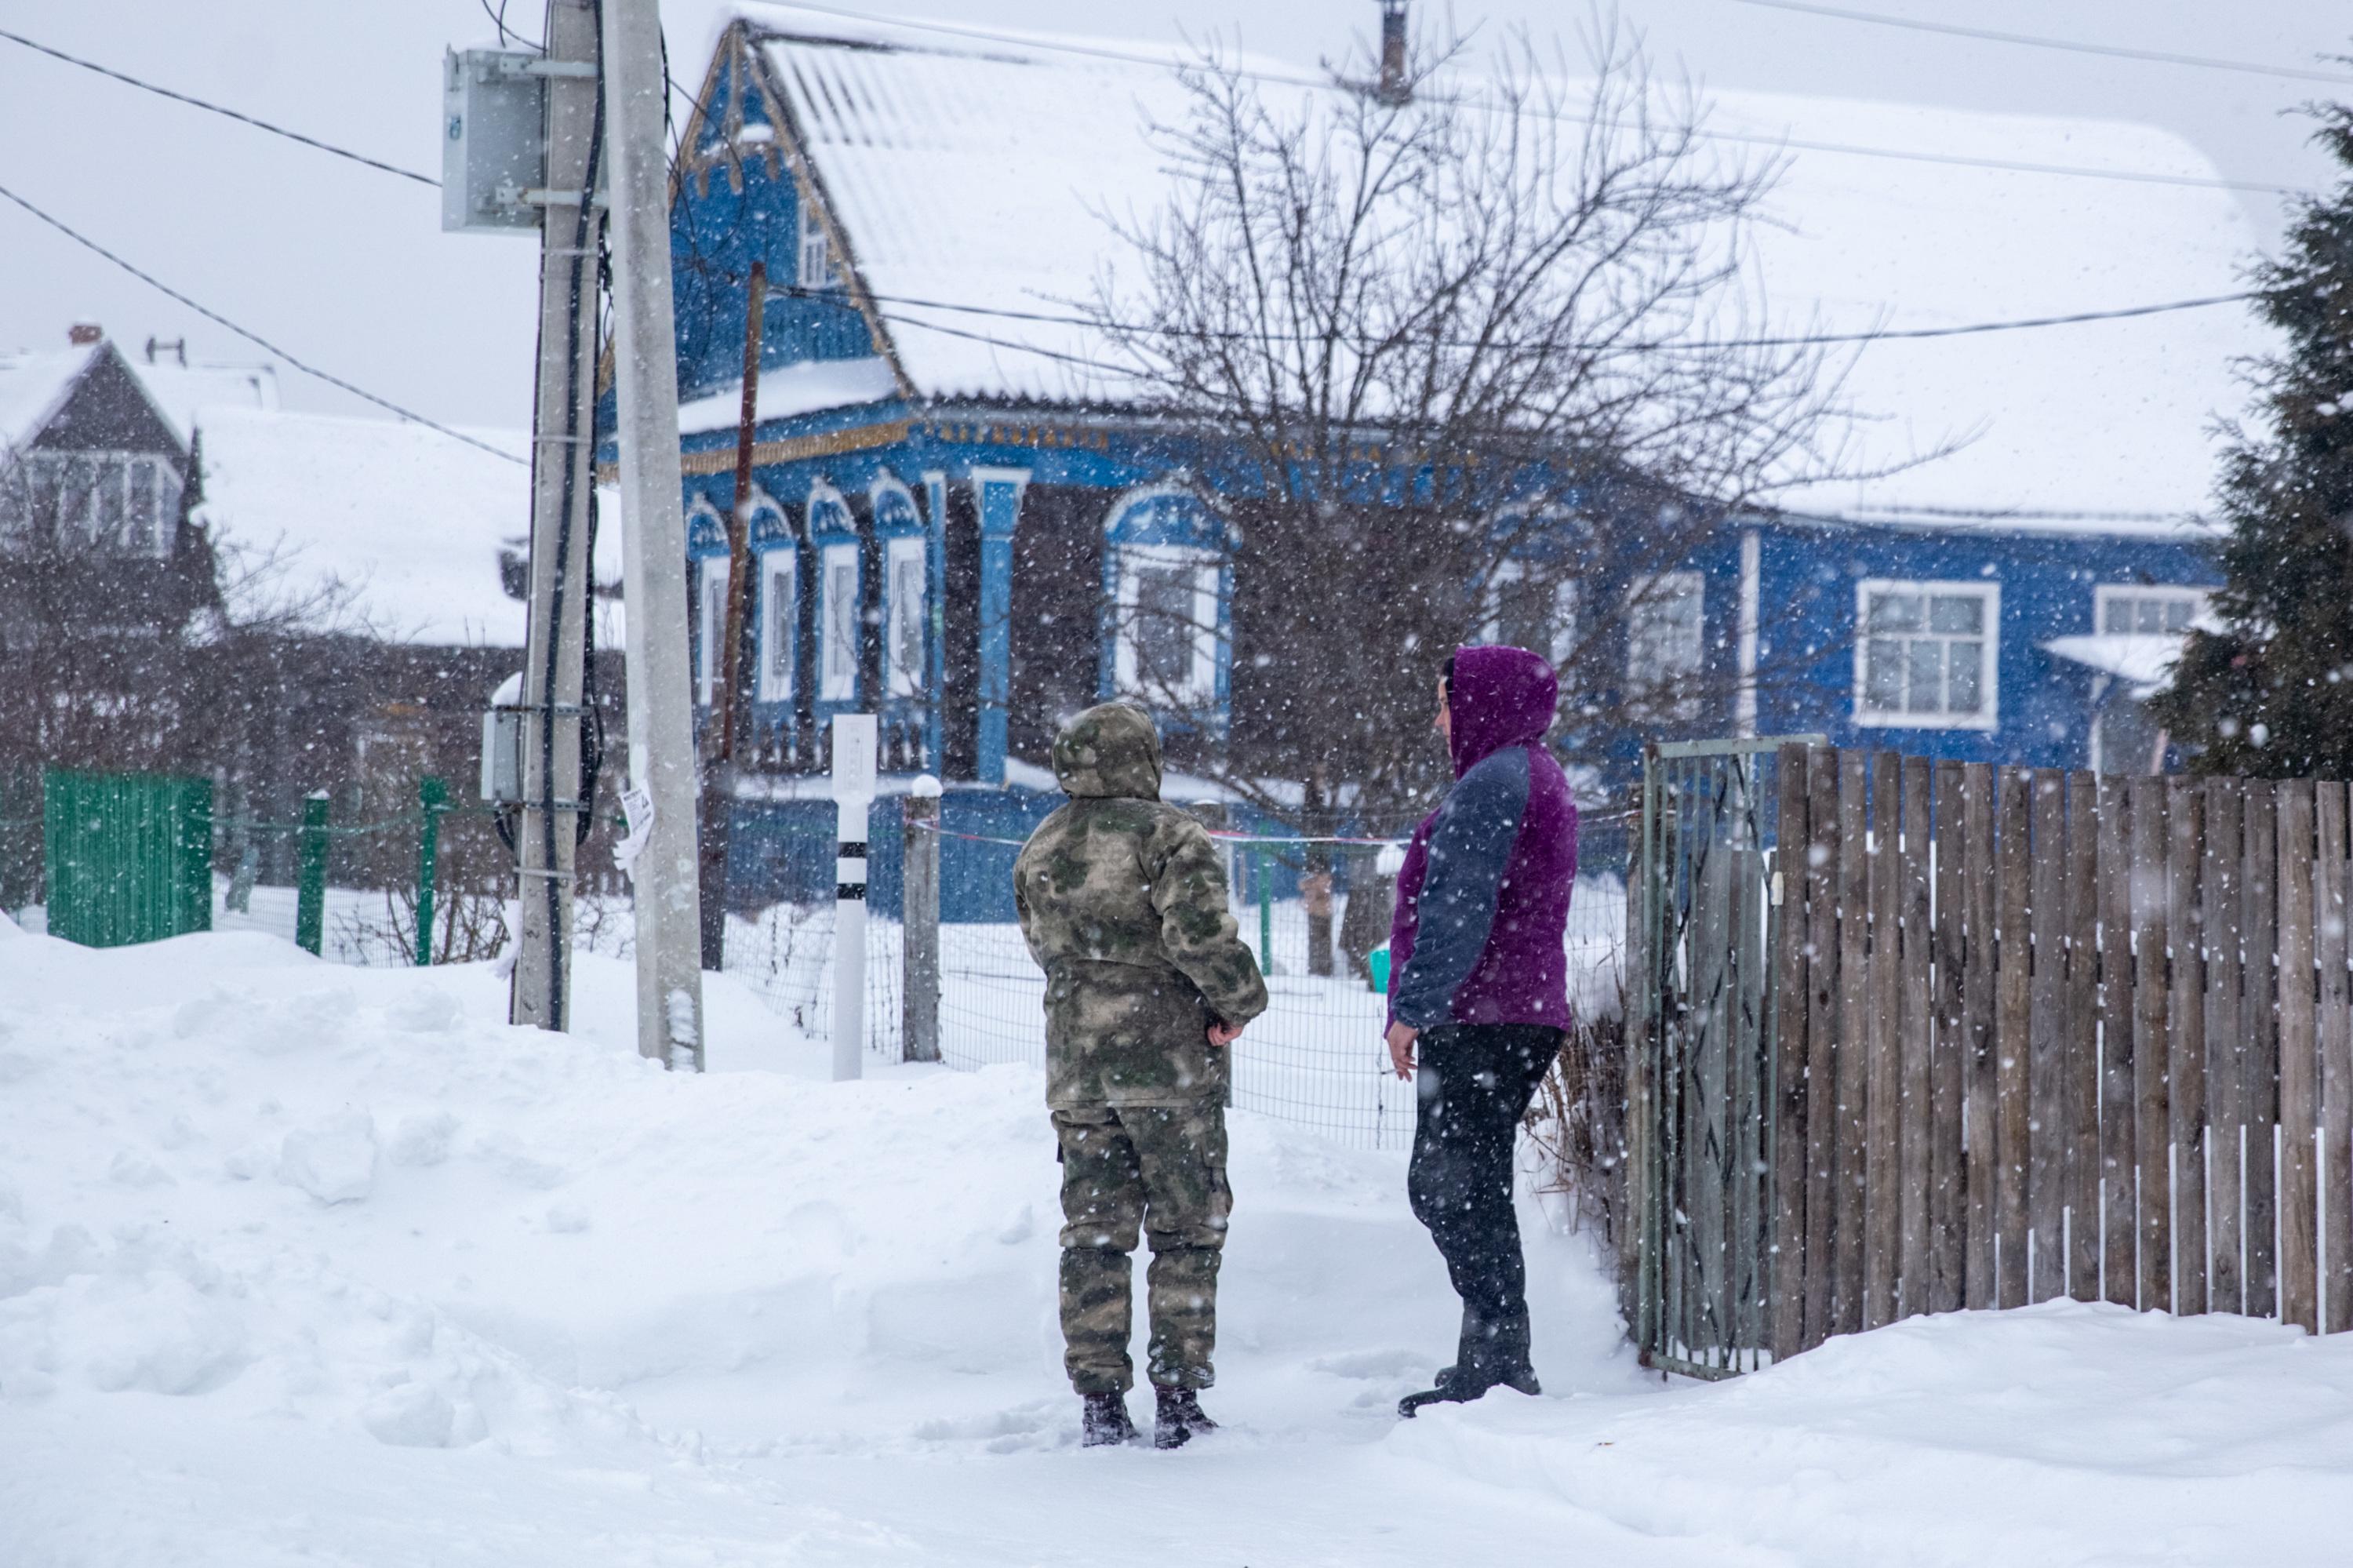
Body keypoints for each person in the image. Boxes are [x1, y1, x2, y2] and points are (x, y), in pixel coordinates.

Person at [1013, 701, 1270, 1449]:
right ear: (1144, 757)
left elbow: (1042, 945)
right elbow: (1199, 938)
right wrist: (1240, 1001)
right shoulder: (1170, 836)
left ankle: (1099, 1401)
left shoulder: (1041, 845)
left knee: (1094, 1232)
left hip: (1077, 1070)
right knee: (1188, 1228)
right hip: (1169, 1068)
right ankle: (1179, 1396)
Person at [1383, 646, 1578, 1418]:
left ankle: (1500, 1365)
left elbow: (1457, 908)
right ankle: (1491, 1360)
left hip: (1486, 1015)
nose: (1439, 720)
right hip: (1505, 1012)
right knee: (1465, 1185)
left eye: (1445, 702)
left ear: (1482, 704)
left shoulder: (1498, 780)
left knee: (1451, 1187)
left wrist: (1413, 1008)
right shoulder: (1525, 772)